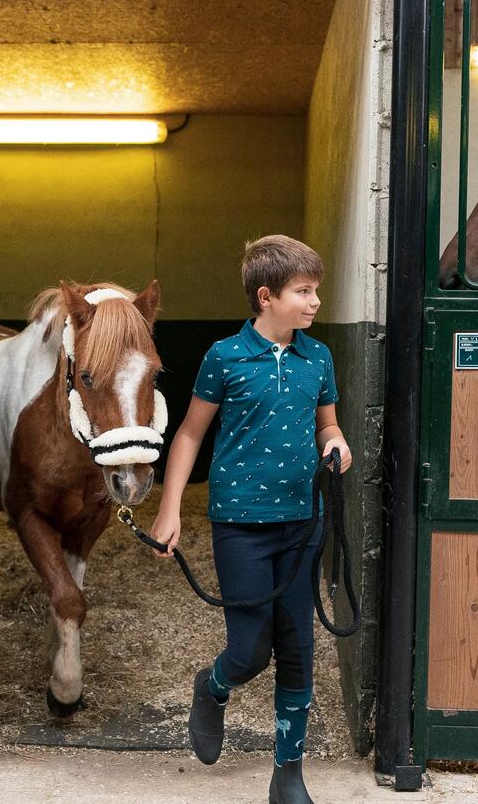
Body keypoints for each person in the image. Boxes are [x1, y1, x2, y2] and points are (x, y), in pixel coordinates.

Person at [150, 234, 353, 804]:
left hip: (303, 521)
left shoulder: (319, 357)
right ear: (267, 296)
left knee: (296, 648)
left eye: (316, 291)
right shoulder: (225, 357)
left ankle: (289, 773)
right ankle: (212, 687)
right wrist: (170, 512)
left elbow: (327, 425)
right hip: (241, 523)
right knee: (248, 650)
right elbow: (189, 434)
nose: (315, 303)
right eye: (304, 292)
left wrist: (337, 444)